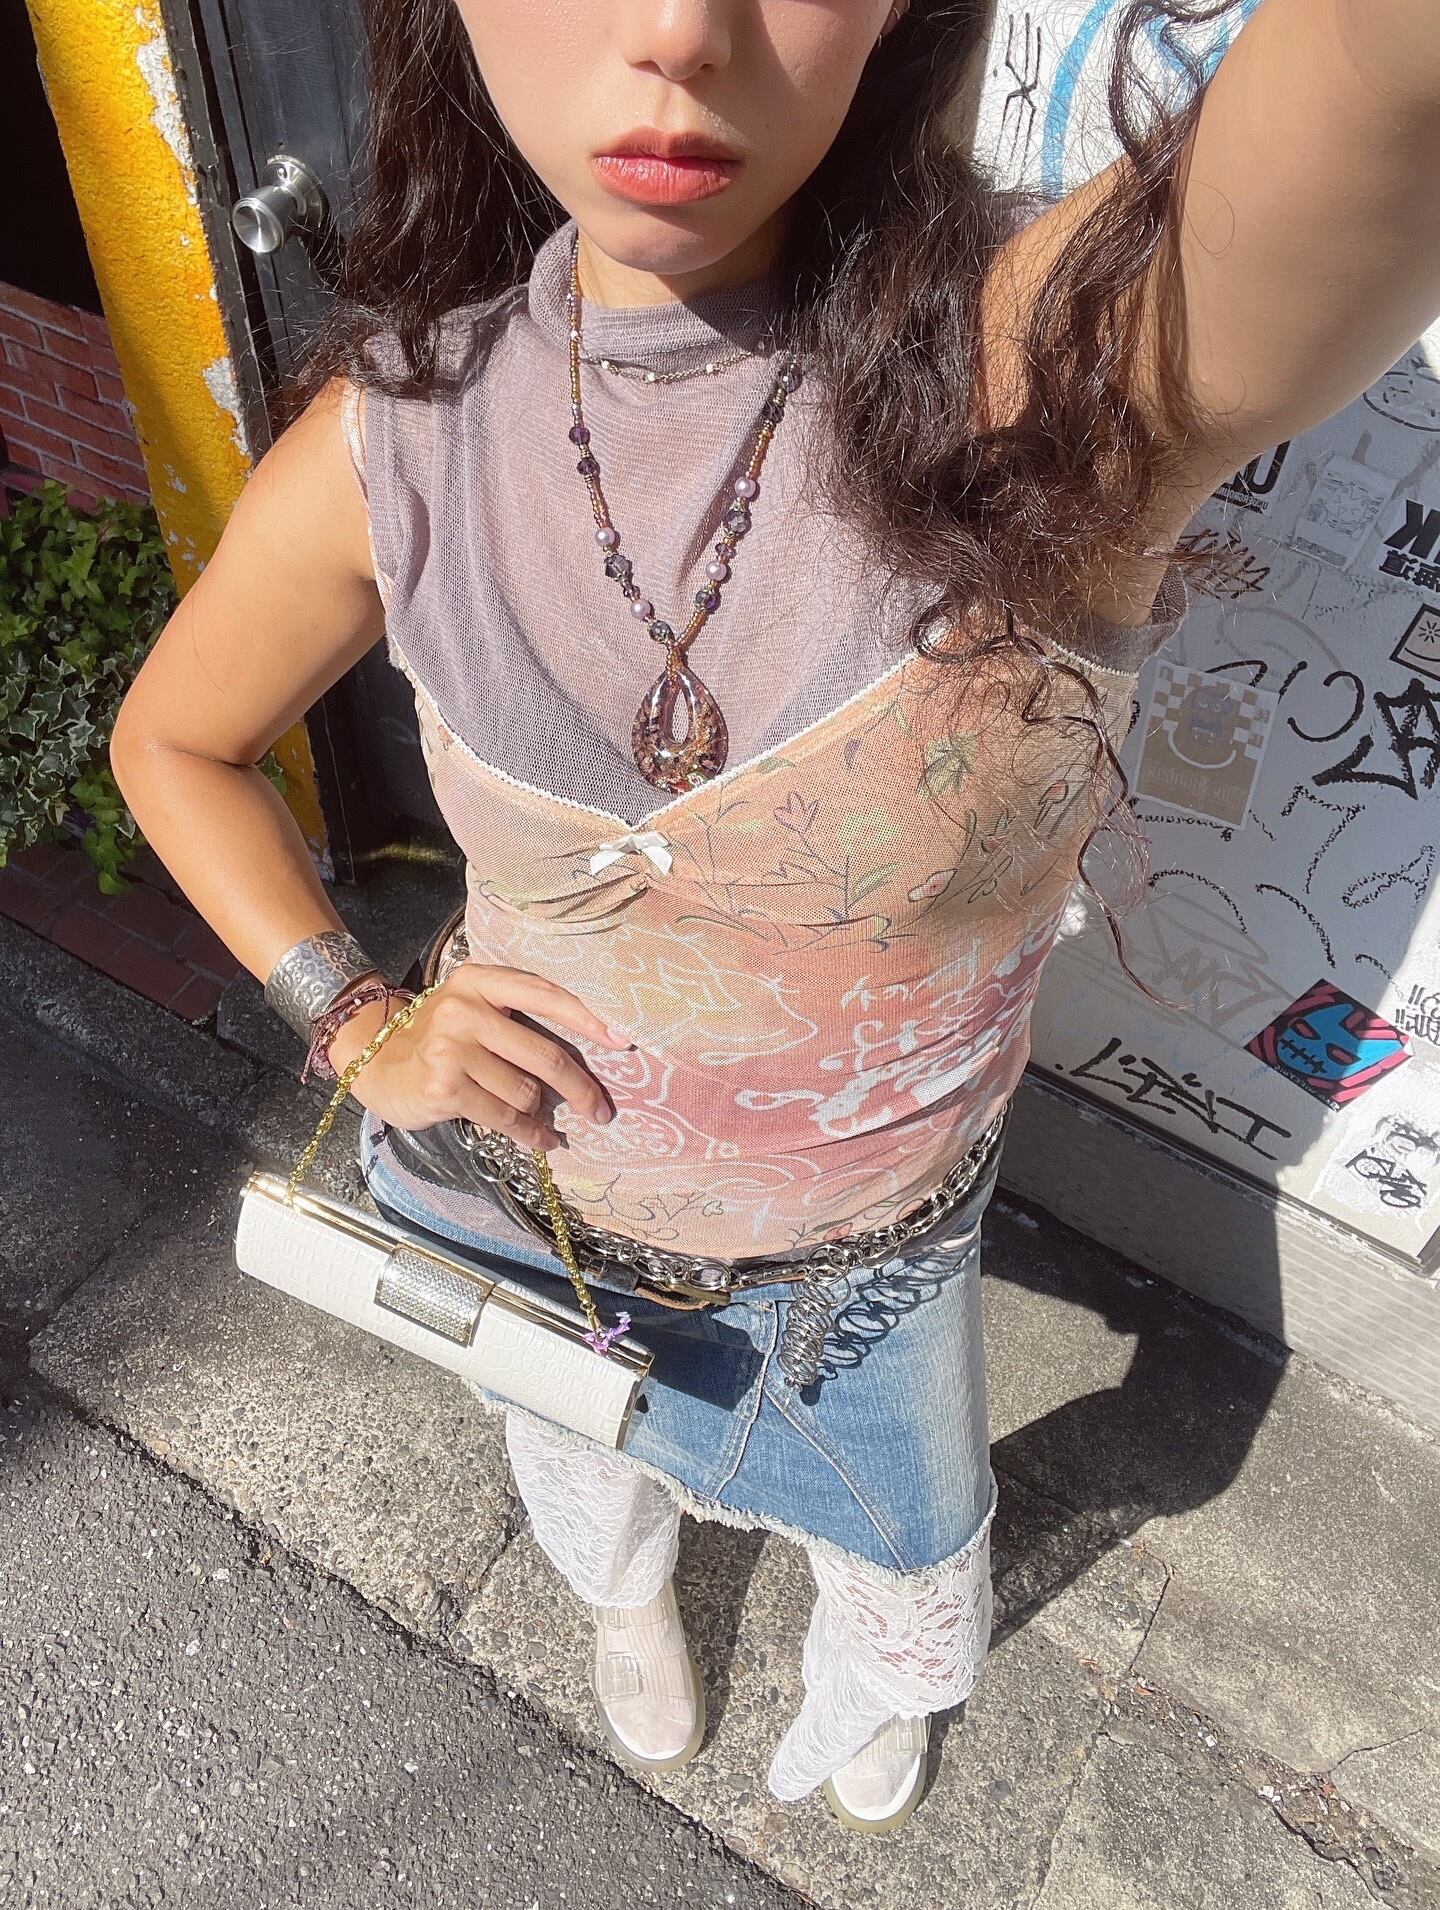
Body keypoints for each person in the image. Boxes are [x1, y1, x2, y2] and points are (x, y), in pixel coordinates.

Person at [111, 0, 1440, 1836]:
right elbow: (176, 741)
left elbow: (1381, 78)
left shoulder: (1039, 389)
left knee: (900, 1551)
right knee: (579, 1461)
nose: (678, 31)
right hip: (520, 1202)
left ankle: (868, 1674)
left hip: (865, 1275)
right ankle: (624, 1589)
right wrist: (355, 1019)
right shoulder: (401, 434)